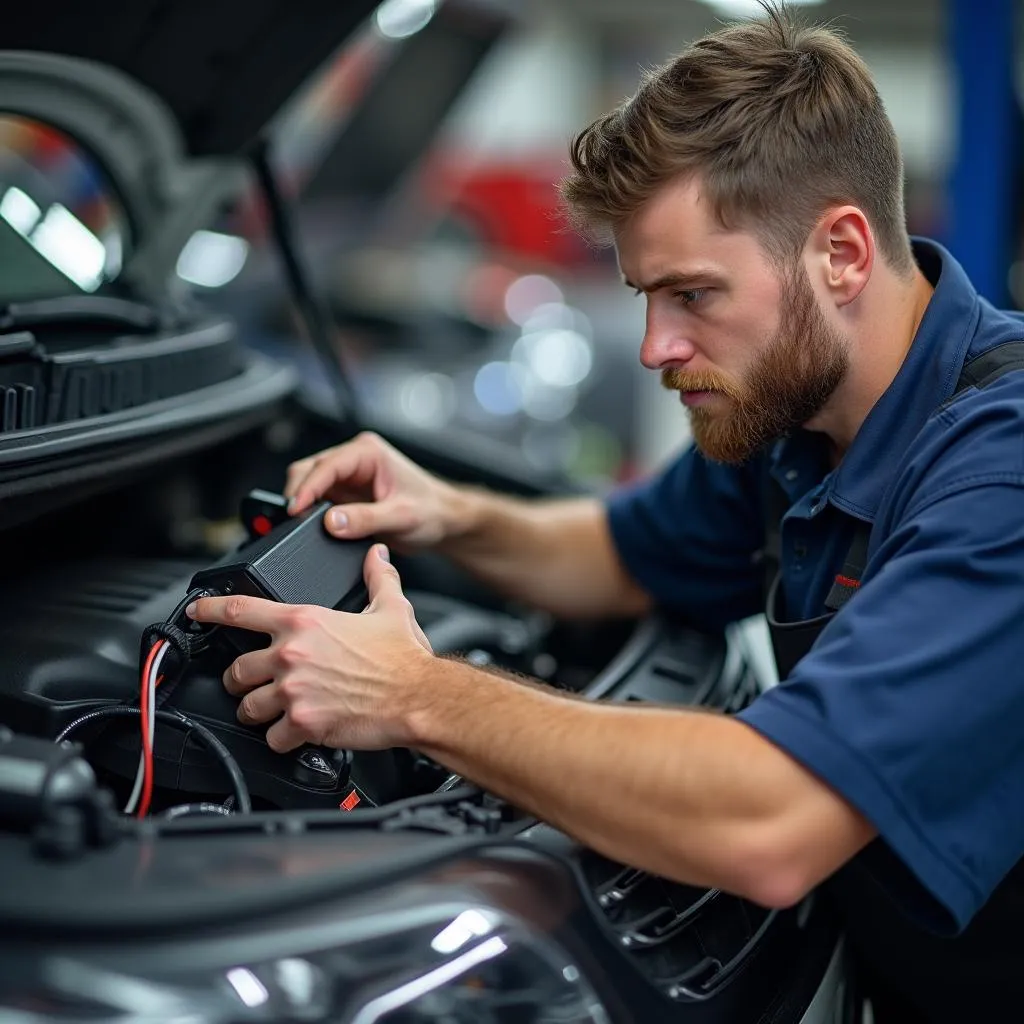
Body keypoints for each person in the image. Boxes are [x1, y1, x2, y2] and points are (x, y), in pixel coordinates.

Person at [188, 6, 1024, 1021]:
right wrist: (446, 513)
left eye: (691, 295)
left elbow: (772, 820)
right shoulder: (796, 409)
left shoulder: (998, 471)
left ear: (841, 252)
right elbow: (620, 555)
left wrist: (416, 695)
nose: (653, 347)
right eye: (642, 296)